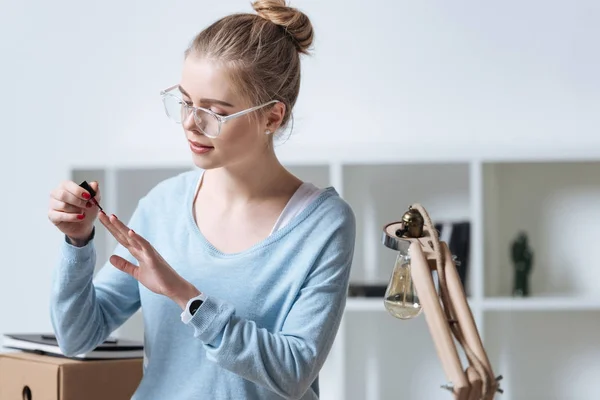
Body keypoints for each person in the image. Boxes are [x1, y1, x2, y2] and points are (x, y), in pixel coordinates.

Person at [47, 1, 356, 399]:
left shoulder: (323, 224)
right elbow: (76, 337)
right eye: (186, 101)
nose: (191, 123)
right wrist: (77, 243)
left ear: (272, 117)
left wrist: (186, 296)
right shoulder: (163, 205)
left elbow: (293, 371)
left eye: (214, 112)